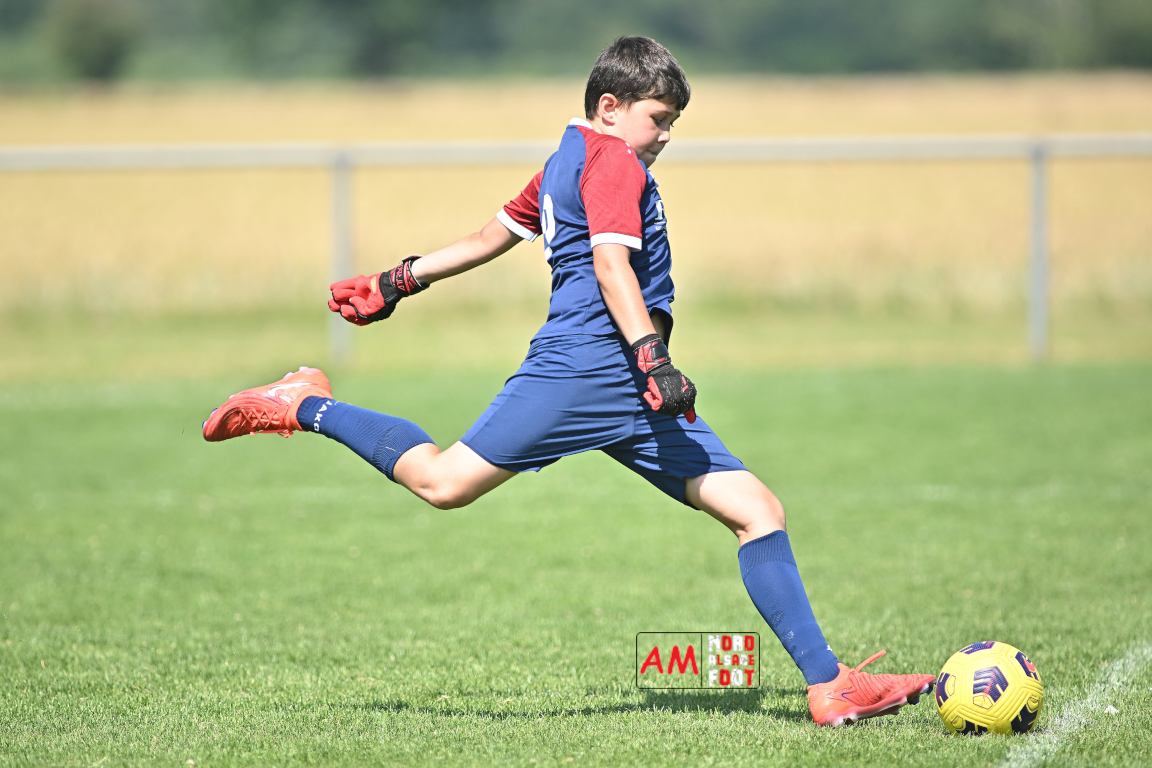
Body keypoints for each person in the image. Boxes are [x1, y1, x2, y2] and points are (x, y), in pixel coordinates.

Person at [203, 36, 934, 726]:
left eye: (673, 123)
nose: (666, 135)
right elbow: (611, 268)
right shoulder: (613, 160)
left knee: (757, 510)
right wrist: (653, 357)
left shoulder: (568, 156)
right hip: (588, 370)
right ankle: (307, 402)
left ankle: (830, 685)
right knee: (443, 483)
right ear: (610, 107)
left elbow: (490, 237)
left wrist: (400, 279)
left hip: (627, 385)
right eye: (659, 118)